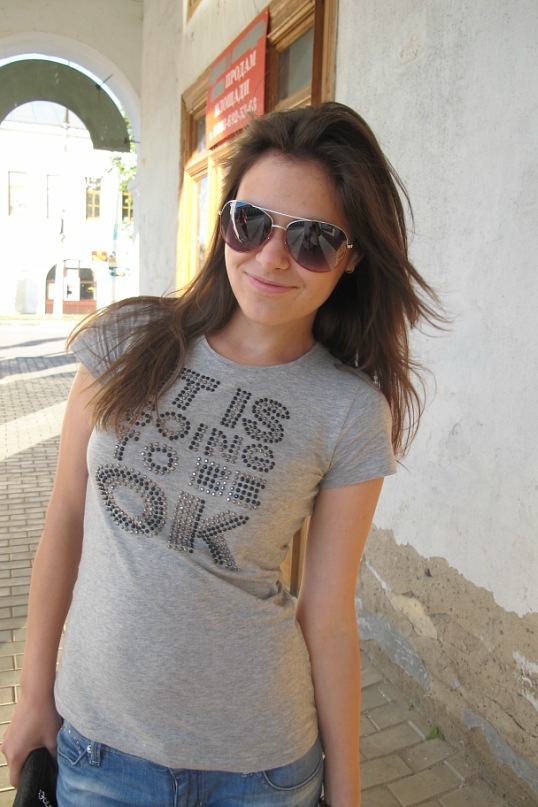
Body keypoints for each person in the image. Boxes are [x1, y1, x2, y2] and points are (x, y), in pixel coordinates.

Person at [1, 101, 441, 806]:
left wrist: (348, 789)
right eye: (251, 222)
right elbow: (66, 517)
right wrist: (32, 692)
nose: (271, 256)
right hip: (101, 751)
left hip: (261, 769)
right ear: (224, 223)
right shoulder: (128, 340)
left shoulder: (349, 409)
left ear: (352, 259)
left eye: (314, 239)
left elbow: (328, 613)